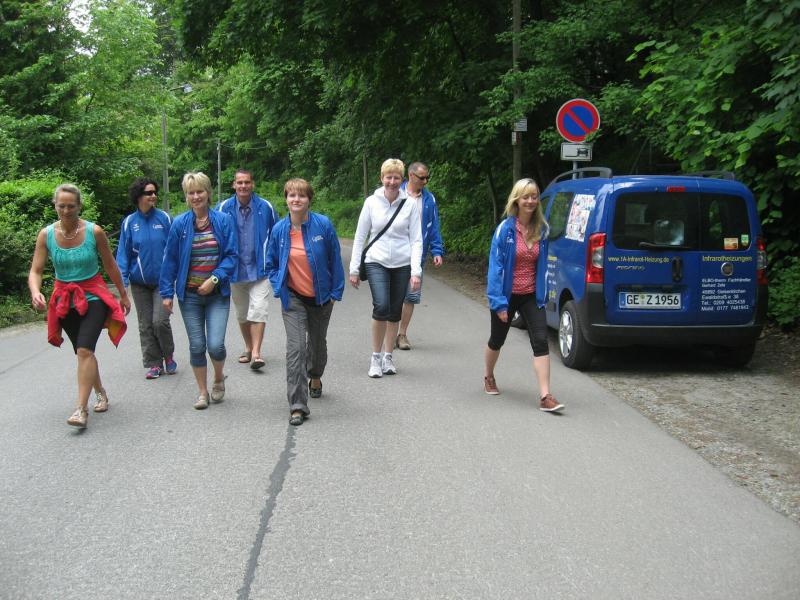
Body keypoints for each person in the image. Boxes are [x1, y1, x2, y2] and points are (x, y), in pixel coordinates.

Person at [28, 184, 131, 428]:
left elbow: (110, 265)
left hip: (93, 296)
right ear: (55, 206)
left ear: (79, 206)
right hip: (65, 301)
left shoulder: (94, 232)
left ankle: (81, 410)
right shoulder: (46, 235)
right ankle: (100, 392)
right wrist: (35, 291)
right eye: (61, 206)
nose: (66, 211)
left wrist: (123, 294)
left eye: (71, 206)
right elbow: (36, 270)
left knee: (85, 350)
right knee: (84, 352)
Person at [266, 178, 345, 425]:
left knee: (317, 346)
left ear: (309, 200)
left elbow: (334, 259)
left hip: (321, 297)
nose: (296, 199)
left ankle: (315, 375)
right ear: (286, 199)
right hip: (293, 298)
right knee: (296, 349)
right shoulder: (279, 230)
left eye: (301, 195)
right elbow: (271, 264)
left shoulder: (323, 225)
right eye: (292, 195)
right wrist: (278, 286)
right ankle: (298, 405)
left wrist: (335, 293)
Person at [484, 178, 564, 413]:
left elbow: (544, 264)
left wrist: (544, 292)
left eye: (534, 196)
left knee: (541, 341)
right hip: (506, 295)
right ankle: (489, 376)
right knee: (497, 340)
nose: (530, 201)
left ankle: (545, 396)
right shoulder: (505, 230)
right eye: (526, 196)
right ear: (517, 200)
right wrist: (498, 303)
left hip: (531, 295)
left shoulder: (542, 230)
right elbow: (495, 267)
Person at [160, 172, 237, 410]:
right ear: (186, 196)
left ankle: (218, 377)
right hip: (190, 296)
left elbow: (232, 256)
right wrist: (166, 293)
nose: (196, 197)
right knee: (196, 345)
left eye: (199, 191)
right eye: (191, 193)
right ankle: (203, 392)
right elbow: (170, 260)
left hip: (217, 295)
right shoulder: (180, 224)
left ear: (208, 193)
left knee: (215, 345)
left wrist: (215, 278)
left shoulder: (223, 221)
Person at [349, 158, 422, 378]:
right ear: (382, 178)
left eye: (396, 178)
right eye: (388, 177)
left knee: (394, 310)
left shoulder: (409, 204)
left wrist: (416, 271)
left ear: (402, 180)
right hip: (376, 260)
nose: (392, 181)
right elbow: (360, 236)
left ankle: (388, 356)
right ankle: (375, 356)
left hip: (402, 263)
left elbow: (416, 240)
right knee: (381, 306)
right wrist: (354, 269)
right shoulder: (371, 202)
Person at [216, 169, 278, 371]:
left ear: (252, 184)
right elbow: (215, 236)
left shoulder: (266, 207)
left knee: (258, 309)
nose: (243, 186)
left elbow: (277, 234)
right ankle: (248, 347)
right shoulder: (223, 208)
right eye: (239, 182)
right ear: (234, 185)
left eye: (247, 182)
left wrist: (274, 262)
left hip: (260, 270)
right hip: (234, 271)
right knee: (242, 314)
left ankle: (257, 353)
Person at [116, 177, 177, 380]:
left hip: (163, 282)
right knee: (145, 324)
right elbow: (123, 256)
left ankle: (168, 355)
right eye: (149, 193)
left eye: (154, 192)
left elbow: (174, 249)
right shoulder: (129, 223)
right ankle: (154, 363)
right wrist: (123, 285)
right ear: (138, 196)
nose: (154, 196)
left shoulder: (165, 219)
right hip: (139, 284)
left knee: (160, 321)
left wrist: (176, 275)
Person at [396, 161, 444, 350]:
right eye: (422, 178)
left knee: (411, 295)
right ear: (410, 175)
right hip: (395, 253)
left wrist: (437, 250)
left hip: (418, 254)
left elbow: (434, 226)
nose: (425, 181)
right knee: (393, 296)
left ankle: (402, 335)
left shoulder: (429, 199)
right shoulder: (396, 193)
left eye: (427, 178)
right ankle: (389, 333)